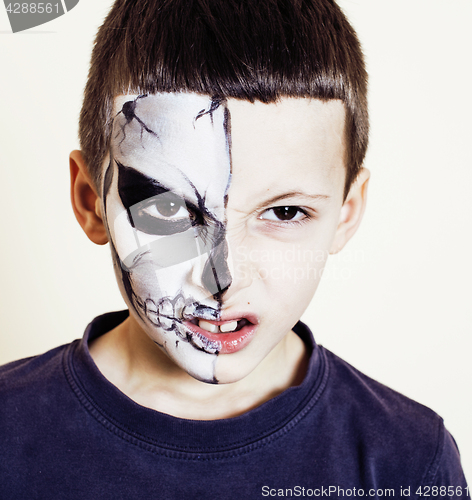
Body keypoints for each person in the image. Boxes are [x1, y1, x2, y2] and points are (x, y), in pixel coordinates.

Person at [0, 0, 467, 497]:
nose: (223, 279)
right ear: (92, 202)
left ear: (346, 213)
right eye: (168, 212)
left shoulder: (408, 461)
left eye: (285, 213)